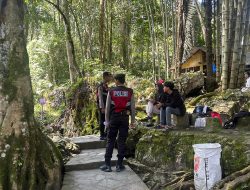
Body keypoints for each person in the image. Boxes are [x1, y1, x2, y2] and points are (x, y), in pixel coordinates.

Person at [100, 73, 135, 172]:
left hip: (114, 118)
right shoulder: (130, 91)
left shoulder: (111, 91)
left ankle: (108, 165)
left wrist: (106, 121)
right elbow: (132, 107)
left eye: (115, 80)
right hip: (125, 118)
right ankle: (119, 165)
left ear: (117, 81)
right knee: (122, 141)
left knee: (111, 140)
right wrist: (132, 121)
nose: (114, 82)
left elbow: (107, 108)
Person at [97, 71, 113, 140]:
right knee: (102, 119)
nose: (110, 78)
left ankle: (106, 133)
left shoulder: (106, 85)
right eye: (109, 76)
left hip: (107, 105)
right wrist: (102, 107)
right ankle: (102, 135)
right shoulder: (100, 86)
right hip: (103, 106)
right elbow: (100, 97)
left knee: (107, 119)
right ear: (105, 77)